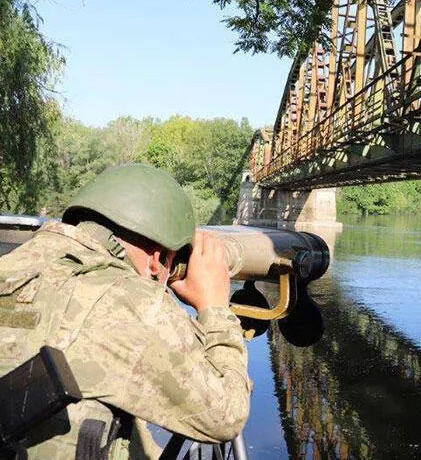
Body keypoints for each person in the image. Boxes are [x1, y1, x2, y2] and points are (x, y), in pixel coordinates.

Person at [0, 164, 252, 459]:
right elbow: (226, 416)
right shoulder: (134, 302)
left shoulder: (13, 263)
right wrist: (215, 308)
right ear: (157, 259)